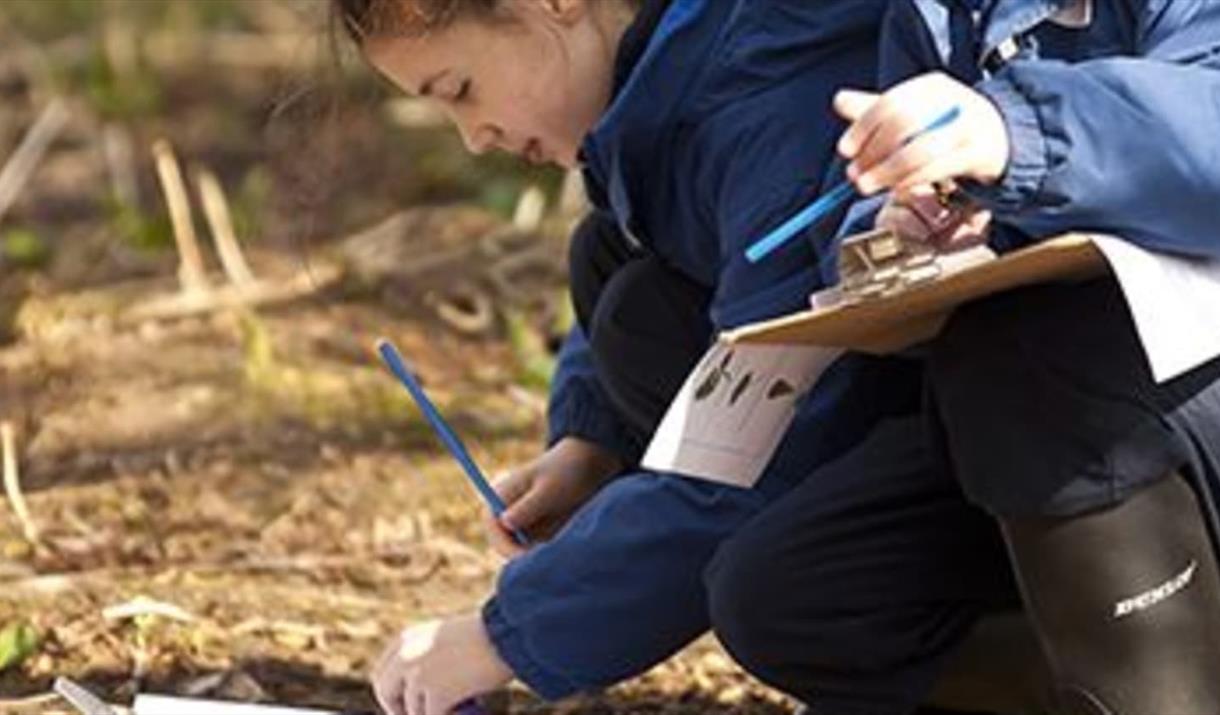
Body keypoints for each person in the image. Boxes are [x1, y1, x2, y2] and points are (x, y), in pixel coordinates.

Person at [332, 1, 1016, 714]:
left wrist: (505, 635)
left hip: (997, 429)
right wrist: (590, 443)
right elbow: (636, 279)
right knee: (615, 273)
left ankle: (1027, 651)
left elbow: (756, 446)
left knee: (771, 595)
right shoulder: (666, 92)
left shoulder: (769, 107)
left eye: (459, 90)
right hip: (874, 388)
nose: (473, 139)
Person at [708, 2, 1220, 713]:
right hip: (1053, 413)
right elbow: (874, 200)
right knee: (788, 595)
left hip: (1166, 371)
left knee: (1018, 353)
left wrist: (1013, 133)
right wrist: (897, 231)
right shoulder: (933, 14)